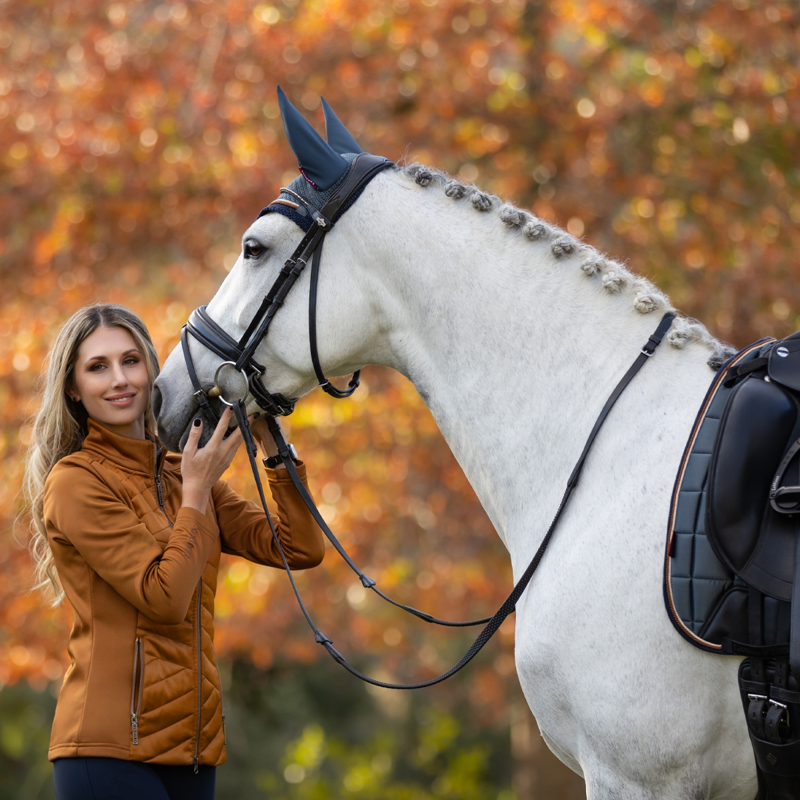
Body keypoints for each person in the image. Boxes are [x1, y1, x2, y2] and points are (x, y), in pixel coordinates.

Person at [22, 303, 325, 800]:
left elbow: (300, 548)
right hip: (108, 752)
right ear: (74, 389)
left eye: (131, 361)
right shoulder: (76, 483)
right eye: (98, 367)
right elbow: (163, 599)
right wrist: (198, 494)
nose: (120, 379)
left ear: (151, 370)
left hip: (193, 751)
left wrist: (273, 442)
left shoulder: (181, 472)